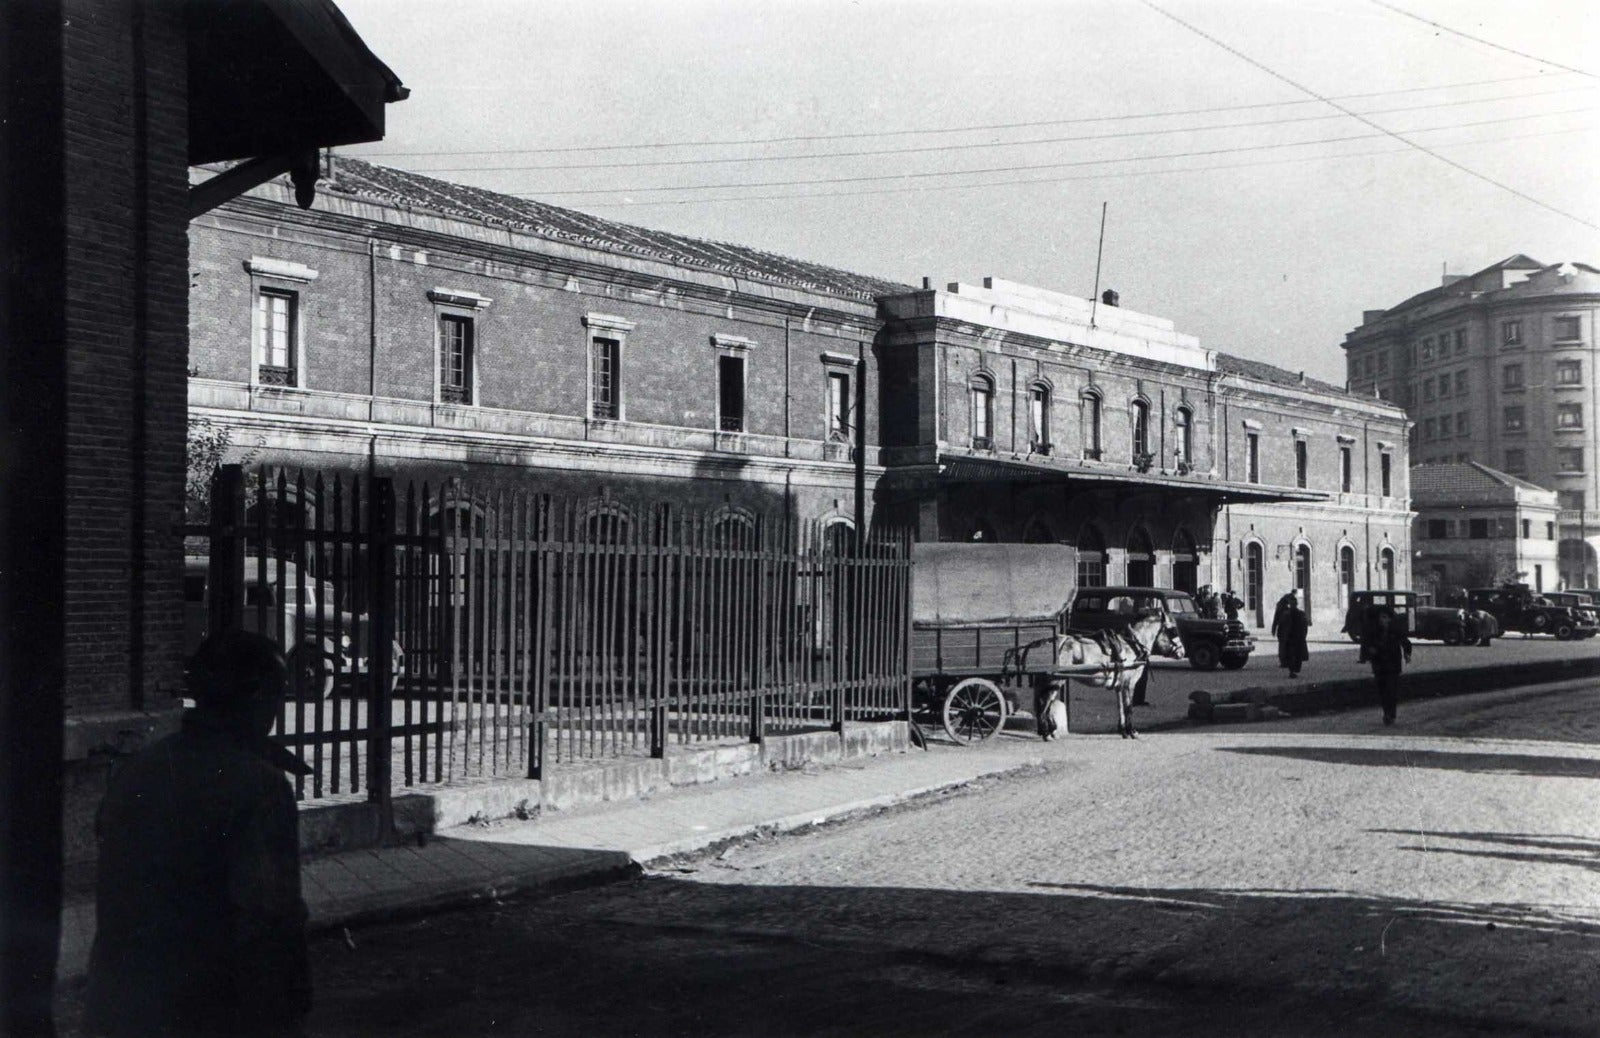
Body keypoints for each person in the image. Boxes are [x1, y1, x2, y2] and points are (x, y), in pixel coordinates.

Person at [85, 630, 313, 1038]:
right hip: (207, 1013)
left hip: (121, 1007)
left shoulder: (140, 768)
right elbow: (270, 921)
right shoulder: (258, 786)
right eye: (278, 692)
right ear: (259, 696)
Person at [1365, 606, 1413, 726]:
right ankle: (1387, 712)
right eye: (1381, 617)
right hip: (1379, 665)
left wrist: (1407, 654)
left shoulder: (1395, 630)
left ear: (1390, 619)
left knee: (1391, 689)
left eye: (1385, 618)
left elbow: (1406, 642)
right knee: (1382, 690)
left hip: (1392, 664)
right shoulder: (1374, 630)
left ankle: (1391, 714)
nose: (1383, 620)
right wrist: (1370, 652)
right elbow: (1367, 643)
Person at [1271, 590, 1310, 678]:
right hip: (1291, 637)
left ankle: (1290, 667)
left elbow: (1304, 626)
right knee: (1292, 654)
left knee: (1294, 655)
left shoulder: (1295, 613)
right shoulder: (1286, 612)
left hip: (1294, 636)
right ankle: (1290, 669)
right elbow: (1281, 623)